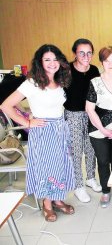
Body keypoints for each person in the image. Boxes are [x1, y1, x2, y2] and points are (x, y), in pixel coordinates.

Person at [0, 44, 75, 222]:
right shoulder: (32, 82)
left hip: (59, 131)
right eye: (47, 59)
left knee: (60, 167)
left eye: (55, 59)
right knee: (46, 168)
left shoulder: (60, 80)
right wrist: (27, 122)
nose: (52, 63)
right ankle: (47, 204)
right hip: (42, 132)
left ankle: (58, 199)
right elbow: (5, 105)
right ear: (40, 62)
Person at [85, 46, 112, 208]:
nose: (110, 63)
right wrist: (103, 130)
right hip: (97, 129)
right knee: (103, 161)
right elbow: (89, 109)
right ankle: (105, 190)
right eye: (106, 60)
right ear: (101, 62)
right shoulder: (95, 82)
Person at [64, 38, 101, 203]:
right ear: (75, 54)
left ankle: (90, 177)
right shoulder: (66, 70)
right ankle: (78, 185)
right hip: (73, 115)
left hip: (91, 114)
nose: (86, 56)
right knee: (77, 150)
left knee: (91, 147)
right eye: (81, 53)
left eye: (89, 53)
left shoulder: (94, 70)